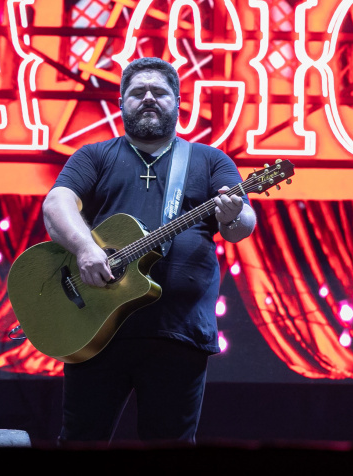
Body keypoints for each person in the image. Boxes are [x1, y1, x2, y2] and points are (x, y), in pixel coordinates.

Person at [42, 57, 256, 444]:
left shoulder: (209, 160)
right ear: (122, 102)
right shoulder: (95, 155)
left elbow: (242, 227)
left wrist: (234, 212)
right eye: (137, 92)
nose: (148, 99)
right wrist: (85, 248)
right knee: (80, 440)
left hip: (179, 332)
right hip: (94, 328)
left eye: (159, 92)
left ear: (176, 101)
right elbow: (56, 204)